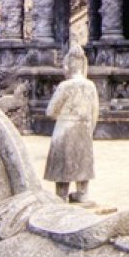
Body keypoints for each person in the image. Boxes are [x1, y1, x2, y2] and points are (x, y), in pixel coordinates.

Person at [44, 43, 99, 203]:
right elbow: (95, 112)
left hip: (64, 130)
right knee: (83, 160)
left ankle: (61, 194)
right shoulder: (90, 86)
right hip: (84, 128)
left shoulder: (65, 86)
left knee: (63, 162)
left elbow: (50, 111)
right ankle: (82, 193)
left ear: (67, 66)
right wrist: (89, 128)